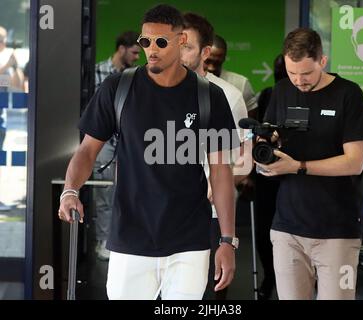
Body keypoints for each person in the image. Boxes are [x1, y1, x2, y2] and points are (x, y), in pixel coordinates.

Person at [58, 4, 238, 300]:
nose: (151, 49)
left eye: (161, 42)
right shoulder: (118, 87)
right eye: (145, 42)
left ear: (181, 41)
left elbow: (221, 171)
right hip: (130, 236)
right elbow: (88, 150)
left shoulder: (209, 97)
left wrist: (228, 240)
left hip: (189, 240)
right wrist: (70, 190)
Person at [256, 27, 363, 300]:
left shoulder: (348, 94)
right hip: (288, 228)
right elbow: (269, 135)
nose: (299, 80)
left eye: (306, 73)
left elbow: (355, 162)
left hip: (337, 231)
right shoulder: (282, 90)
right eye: (292, 72)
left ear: (323, 60)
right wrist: (266, 149)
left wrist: (298, 166)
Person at [181, 12, 251, 300]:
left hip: (210, 215)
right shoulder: (151, 90)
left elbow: (245, 159)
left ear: (204, 51)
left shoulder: (228, 95)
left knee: (209, 295)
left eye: (186, 46)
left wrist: (217, 186)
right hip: (162, 214)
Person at [93, 31, 141, 261]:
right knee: (104, 191)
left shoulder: (135, 76)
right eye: (133, 52)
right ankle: (103, 240)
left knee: (126, 191)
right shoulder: (97, 71)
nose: (136, 57)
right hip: (103, 140)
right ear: (121, 48)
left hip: (128, 141)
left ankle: (120, 238)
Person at [252, 54, 287, 300]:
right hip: (266, 176)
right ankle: (270, 277)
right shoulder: (267, 95)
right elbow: (256, 132)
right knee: (264, 232)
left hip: (296, 175)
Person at [205, 34, 258, 116]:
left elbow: (250, 123)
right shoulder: (190, 81)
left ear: (224, 58)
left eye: (217, 62)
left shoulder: (241, 84)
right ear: (201, 55)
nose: (211, 68)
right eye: (208, 61)